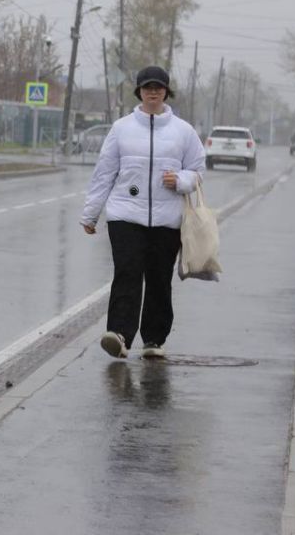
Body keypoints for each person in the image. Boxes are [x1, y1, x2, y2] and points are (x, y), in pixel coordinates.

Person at [80, 65, 206, 360]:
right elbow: (104, 173)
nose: (153, 92)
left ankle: (154, 339)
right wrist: (90, 213)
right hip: (126, 215)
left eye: (158, 87)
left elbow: (198, 170)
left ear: (166, 91)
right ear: (139, 91)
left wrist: (182, 180)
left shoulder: (183, 131)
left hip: (167, 219)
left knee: (159, 278)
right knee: (127, 273)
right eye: (147, 87)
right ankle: (120, 335)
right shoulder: (121, 128)